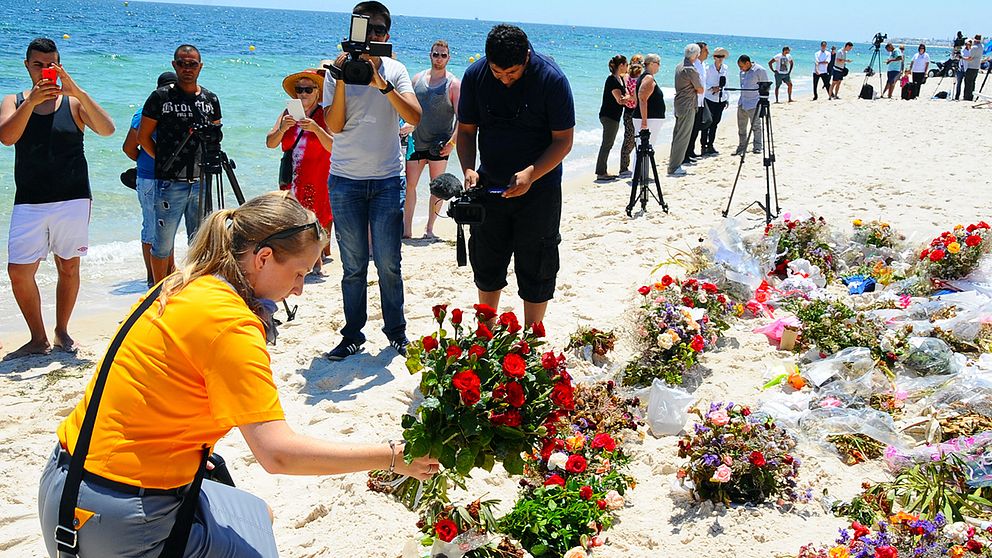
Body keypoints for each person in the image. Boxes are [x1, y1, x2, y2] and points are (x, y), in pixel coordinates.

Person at [37, 191, 439, 558]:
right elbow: (277, 454)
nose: (299, 289)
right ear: (263, 257)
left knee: (255, 513)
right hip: (120, 515)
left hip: (63, 484)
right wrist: (391, 457)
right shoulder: (232, 324)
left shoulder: (181, 285)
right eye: (299, 273)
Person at [0, 37, 115, 358]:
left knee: (68, 266)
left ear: (59, 66)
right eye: (38, 64)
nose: (44, 70)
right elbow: (7, 137)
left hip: (73, 197)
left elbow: (107, 129)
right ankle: (38, 338)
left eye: (51, 65)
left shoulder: (74, 103)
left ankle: (62, 331)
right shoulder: (14, 100)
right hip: (29, 200)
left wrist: (76, 90)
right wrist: (31, 103)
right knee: (19, 271)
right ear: (27, 65)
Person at [456, 23, 574, 327]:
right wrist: (469, 168)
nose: (505, 80)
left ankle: (533, 338)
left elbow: (563, 141)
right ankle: (487, 330)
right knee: (486, 260)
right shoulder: (475, 76)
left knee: (538, 262)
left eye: (512, 73)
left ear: (527, 57)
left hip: (540, 188)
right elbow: (467, 132)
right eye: (498, 73)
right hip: (489, 185)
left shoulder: (552, 78)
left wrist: (531, 174)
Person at [323, 1, 421, 360]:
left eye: (378, 30)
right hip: (345, 179)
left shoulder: (395, 69)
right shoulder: (336, 72)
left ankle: (396, 332)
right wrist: (345, 78)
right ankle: (353, 334)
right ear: (352, 33)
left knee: (389, 263)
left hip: (385, 180)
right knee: (353, 266)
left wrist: (382, 84)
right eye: (365, 30)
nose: (372, 36)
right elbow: (334, 125)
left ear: (387, 35)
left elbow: (414, 116)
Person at [138, 44, 222, 285]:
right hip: (169, 182)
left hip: (201, 181)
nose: (187, 68)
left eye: (192, 64)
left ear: (200, 67)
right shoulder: (160, 97)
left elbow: (216, 134)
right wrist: (163, 162)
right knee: (162, 244)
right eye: (182, 64)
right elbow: (143, 137)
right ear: (174, 65)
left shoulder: (210, 99)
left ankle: (196, 288)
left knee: (200, 242)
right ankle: (156, 289)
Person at [266, 69, 334, 273]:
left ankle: (315, 260)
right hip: (292, 177)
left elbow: (335, 146)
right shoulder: (289, 112)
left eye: (308, 89)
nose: (303, 94)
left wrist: (316, 130)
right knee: (292, 219)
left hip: (318, 176)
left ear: (317, 92)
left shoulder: (325, 114)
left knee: (316, 217)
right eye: (299, 90)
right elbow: (270, 143)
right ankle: (301, 261)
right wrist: (282, 129)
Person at [123, 71, 178, 288]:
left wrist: (144, 163)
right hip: (154, 178)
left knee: (160, 227)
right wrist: (151, 165)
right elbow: (129, 147)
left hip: (153, 176)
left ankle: (164, 273)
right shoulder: (147, 112)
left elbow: (129, 148)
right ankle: (153, 277)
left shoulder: (146, 111)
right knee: (156, 228)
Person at [404, 40, 461, 239]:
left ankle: (429, 229)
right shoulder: (417, 79)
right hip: (416, 141)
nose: (439, 58)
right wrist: (404, 125)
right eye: (436, 54)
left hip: (440, 145)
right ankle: (407, 230)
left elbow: (461, 118)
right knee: (410, 186)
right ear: (430, 55)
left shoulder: (453, 84)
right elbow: (407, 108)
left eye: (443, 55)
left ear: (449, 58)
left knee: (437, 188)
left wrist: (452, 143)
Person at [667, 44, 702, 177]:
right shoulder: (690, 69)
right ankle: (675, 166)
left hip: (679, 103)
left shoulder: (679, 65)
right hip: (687, 104)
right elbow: (700, 89)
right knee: (683, 136)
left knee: (677, 135)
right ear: (695, 55)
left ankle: (673, 164)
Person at [595, 54, 629, 181]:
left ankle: (602, 170)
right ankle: (601, 172)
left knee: (608, 143)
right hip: (609, 116)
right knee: (607, 143)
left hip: (614, 116)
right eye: (626, 65)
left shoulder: (619, 79)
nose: (627, 67)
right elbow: (620, 100)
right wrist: (630, 98)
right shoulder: (612, 80)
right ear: (621, 65)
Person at [733, 55, 769, 156]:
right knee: (741, 127)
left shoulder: (760, 70)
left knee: (756, 126)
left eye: (741, 66)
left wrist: (763, 103)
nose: (740, 69)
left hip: (754, 103)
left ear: (748, 63)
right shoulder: (742, 72)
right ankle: (741, 147)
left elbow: (765, 87)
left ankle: (757, 146)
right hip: (742, 102)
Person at [632, 53, 665, 152]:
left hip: (650, 118)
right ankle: (640, 168)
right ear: (651, 64)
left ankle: (642, 168)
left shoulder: (644, 77)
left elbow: (635, 97)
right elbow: (642, 99)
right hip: (649, 119)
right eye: (658, 63)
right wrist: (644, 122)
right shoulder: (648, 78)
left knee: (644, 149)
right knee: (644, 149)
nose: (659, 66)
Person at [701, 47, 729, 156]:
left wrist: (727, 98)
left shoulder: (725, 68)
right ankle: (703, 146)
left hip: (721, 99)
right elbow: (704, 82)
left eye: (722, 56)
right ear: (714, 57)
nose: (720, 59)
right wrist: (713, 88)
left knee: (715, 123)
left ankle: (711, 145)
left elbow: (726, 84)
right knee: (707, 123)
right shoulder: (708, 68)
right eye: (718, 56)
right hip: (709, 98)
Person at [685, 42, 709, 164]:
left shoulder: (702, 64)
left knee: (697, 127)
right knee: (691, 128)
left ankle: (691, 151)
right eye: (705, 50)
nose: (708, 53)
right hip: (694, 100)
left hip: (701, 100)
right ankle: (687, 152)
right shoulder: (694, 65)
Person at [618, 58, 642, 178]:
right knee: (630, 139)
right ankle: (624, 167)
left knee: (632, 139)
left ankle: (627, 166)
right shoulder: (633, 80)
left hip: (632, 111)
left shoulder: (630, 79)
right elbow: (632, 97)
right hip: (631, 111)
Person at [963, 35, 983, 101]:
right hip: (977, 67)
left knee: (968, 82)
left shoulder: (974, 48)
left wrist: (962, 58)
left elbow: (970, 58)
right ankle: (971, 96)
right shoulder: (981, 46)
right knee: (973, 82)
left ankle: (967, 97)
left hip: (971, 67)